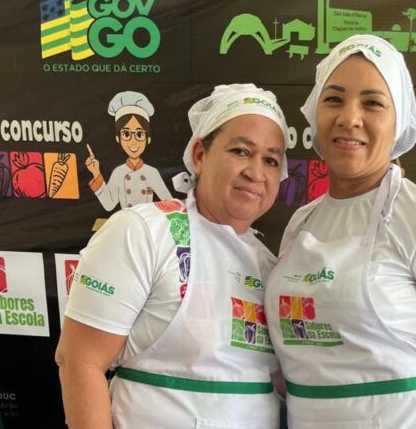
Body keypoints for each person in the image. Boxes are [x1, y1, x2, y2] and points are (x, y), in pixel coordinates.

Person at [265, 35, 416, 429]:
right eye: (334, 99)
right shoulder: (302, 222)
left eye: (372, 103)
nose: (349, 118)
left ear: (398, 122)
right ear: (315, 113)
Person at [56, 84, 289, 428]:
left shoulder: (273, 269)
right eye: (241, 151)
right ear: (200, 154)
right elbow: (80, 361)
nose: (255, 173)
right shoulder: (143, 232)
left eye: (271, 160)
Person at [85, 91, 172, 211]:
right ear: (118, 138)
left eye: (139, 134)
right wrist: (96, 173)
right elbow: (109, 205)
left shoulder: (151, 172)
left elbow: (169, 203)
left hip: (146, 220)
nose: (133, 141)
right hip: (125, 220)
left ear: (148, 139)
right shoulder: (118, 172)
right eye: (126, 134)